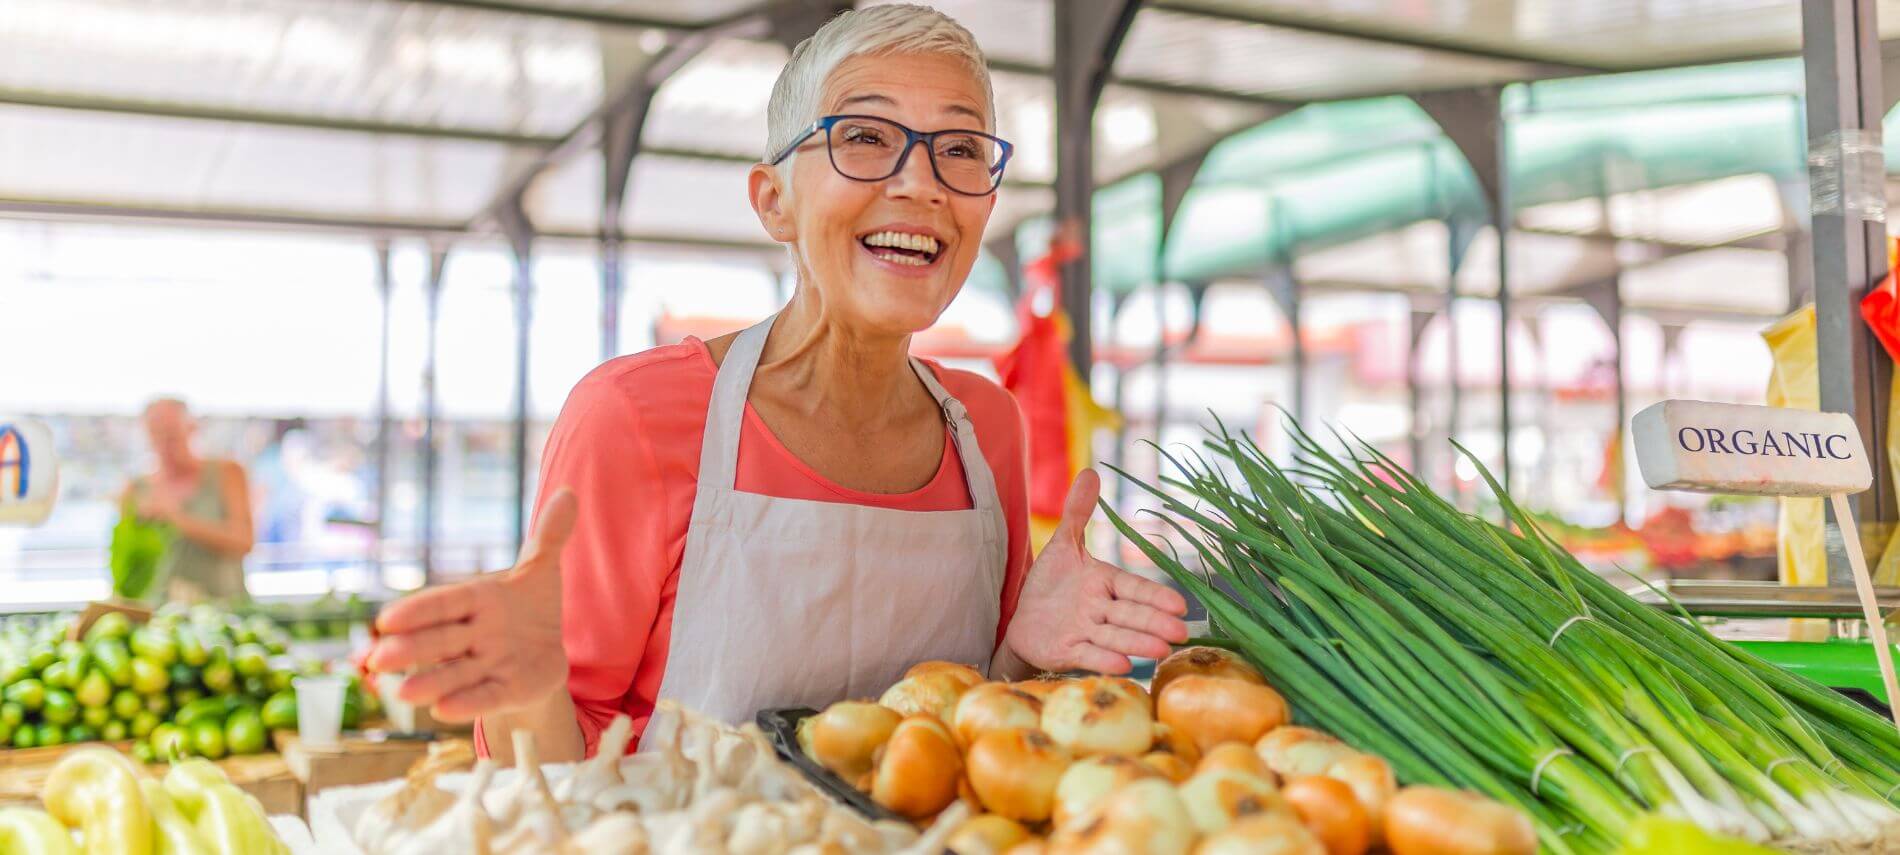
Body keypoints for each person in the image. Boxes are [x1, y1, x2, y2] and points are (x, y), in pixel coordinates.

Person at [365, 4, 1189, 764]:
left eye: (962, 148)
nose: (921, 181)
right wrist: (536, 686)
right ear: (774, 200)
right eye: (864, 137)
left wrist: (1026, 653)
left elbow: (973, 733)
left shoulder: (987, 428)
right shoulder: (634, 419)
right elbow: (542, 791)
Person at [122, 398, 255, 603]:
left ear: (192, 428)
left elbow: (244, 541)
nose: (164, 443)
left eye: (172, 433)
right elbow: (127, 565)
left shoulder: (228, 472)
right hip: (161, 616)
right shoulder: (136, 488)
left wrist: (177, 518)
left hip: (225, 609)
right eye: (156, 433)